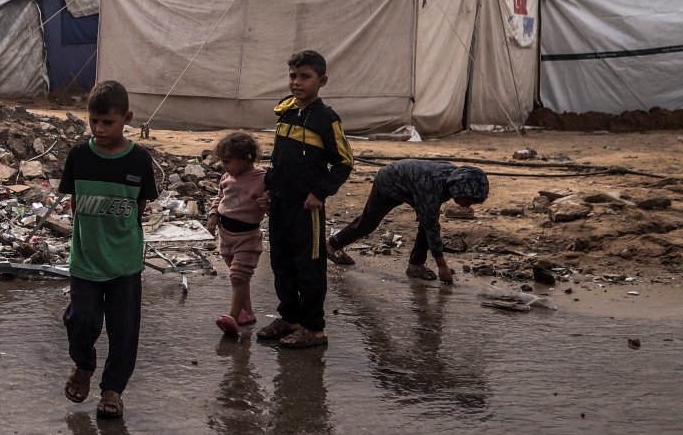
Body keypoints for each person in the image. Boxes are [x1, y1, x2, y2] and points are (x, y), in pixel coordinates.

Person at [58, 80, 159, 420]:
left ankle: (113, 389)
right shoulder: (80, 156)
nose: (100, 129)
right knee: (81, 318)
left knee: (123, 329)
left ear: (127, 118)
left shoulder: (139, 160)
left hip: (125, 262)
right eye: (94, 121)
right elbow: (74, 203)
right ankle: (84, 364)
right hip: (85, 259)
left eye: (108, 122)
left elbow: (140, 206)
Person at [258, 50, 353, 350]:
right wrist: (269, 189)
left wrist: (319, 193)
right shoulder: (286, 112)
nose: (296, 82)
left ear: (321, 81)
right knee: (280, 263)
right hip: (281, 204)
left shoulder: (327, 119)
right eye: (292, 76)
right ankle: (291, 319)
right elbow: (279, 160)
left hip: (306, 208)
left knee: (309, 267)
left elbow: (344, 162)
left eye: (304, 77)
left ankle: (314, 329)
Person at [327, 160, 490, 283]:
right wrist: (442, 266)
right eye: (468, 201)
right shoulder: (433, 185)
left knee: (427, 221)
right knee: (368, 222)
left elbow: (430, 198)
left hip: (413, 185)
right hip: (389, 182)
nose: (468, 206)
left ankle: (415, 264)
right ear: (458, 189)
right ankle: (332, 245)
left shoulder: (452, 178)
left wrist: (423, 208)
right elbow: (432, 226)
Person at [207, 131, 267, 337]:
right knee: (240, 277)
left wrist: (267, 204)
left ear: (245, 159)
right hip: (226, 236)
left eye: (227, 162)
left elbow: (271, 204)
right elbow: (220, 197)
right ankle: (247, 312)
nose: (224, 166)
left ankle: (232, 316)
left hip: (247, 238)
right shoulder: (227, 177)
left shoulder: (262, 180)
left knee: (238, 277)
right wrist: (214, 215)